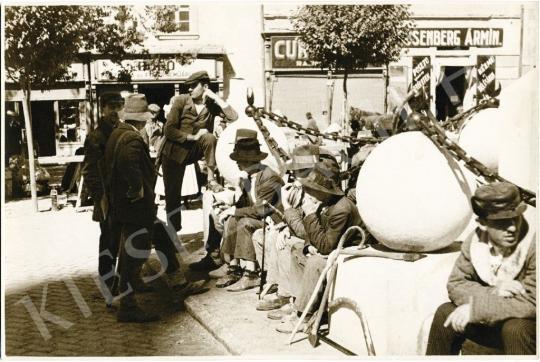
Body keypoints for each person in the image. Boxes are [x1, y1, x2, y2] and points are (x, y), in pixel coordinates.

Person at [426, 182, 536, 355]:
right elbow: (456, 284)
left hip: (528, 327)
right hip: (493, 320)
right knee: (445, 312)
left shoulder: (533, 243)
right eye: (502, 222)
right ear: (483, 223)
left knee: (515, 329)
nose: (513, 228)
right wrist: (494, 291)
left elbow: (532, 302)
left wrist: (476, 309)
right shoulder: (476, 242)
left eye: (516, 218)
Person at [275, 158, 362, 333]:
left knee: (315, 263)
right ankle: (300, 302)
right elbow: (315, 237)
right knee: (297, 250)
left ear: (323, 190)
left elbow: (326, 247)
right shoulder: (325, 202)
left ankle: (303, 315)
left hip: (347, 254)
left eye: (310, 189)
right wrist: (308, 245)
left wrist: (309, 215)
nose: (306, 193)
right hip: (333, 249)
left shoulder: (341, 209)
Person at [160, 70, 238, 232]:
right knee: (172, 195)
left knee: (209, 137)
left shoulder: (211, 104)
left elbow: (233, 117)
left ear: (205, 86)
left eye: (194, 86)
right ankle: (174, 230)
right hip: (174, 152)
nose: (189, 89)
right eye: (188, 86)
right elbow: (169, 130)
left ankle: (210, 179)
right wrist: (193, 137)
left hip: (195, 151)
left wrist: (216, 98)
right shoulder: (181, 101)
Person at [215, 129, 284, 292]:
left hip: (272, 220)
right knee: (232, 220)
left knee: (244, 222)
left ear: (247, 161)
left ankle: (251, 274)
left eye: (239, 160)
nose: (237, 163)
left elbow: (261, 209)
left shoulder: (269, 176)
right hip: (259, 216)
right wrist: (230, 207)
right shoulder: (248, 176)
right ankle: (233, 268)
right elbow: (243, 204)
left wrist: (235, 211)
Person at [81, 92, 124, 298]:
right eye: (111, 107)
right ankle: (108, 284)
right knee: (108, 241)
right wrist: (101, 197)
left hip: (122, 196)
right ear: (103, 109)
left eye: (118, 106)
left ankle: (124, 281)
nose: (115, 111)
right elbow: (89, 171)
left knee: (124, 239)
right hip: (107, 198)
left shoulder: (123, 131)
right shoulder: (96, 137)